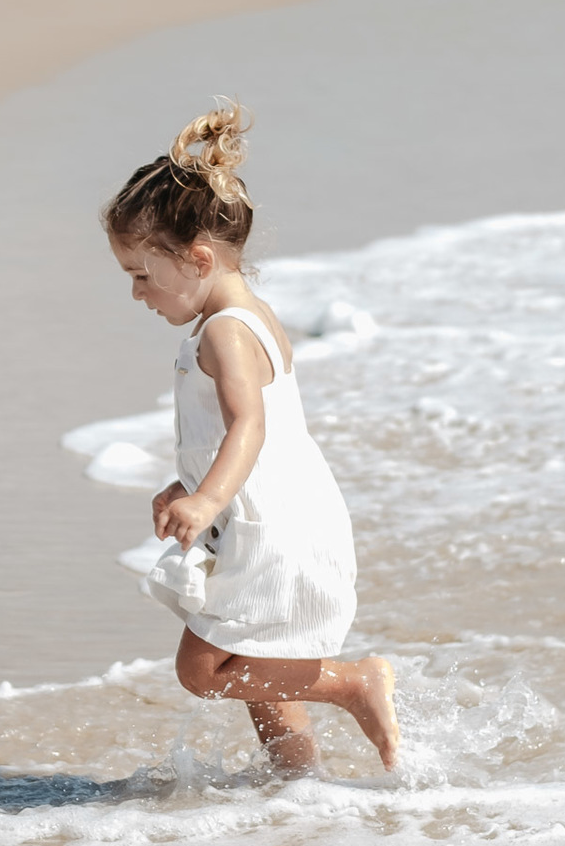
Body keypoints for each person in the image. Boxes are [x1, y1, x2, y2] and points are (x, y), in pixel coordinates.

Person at [103, 102, 399, 777]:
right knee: (256, 655)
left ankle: (353, 684)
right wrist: (194, 483)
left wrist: (205, 501)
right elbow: (245, 432)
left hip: (272, 525)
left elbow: (251, 425)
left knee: (205, 669)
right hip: (269, 512)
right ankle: (297, 779)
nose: (137, 294)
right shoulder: (248, 314)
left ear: (198, 258)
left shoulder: (226, 331)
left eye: (142, 275)